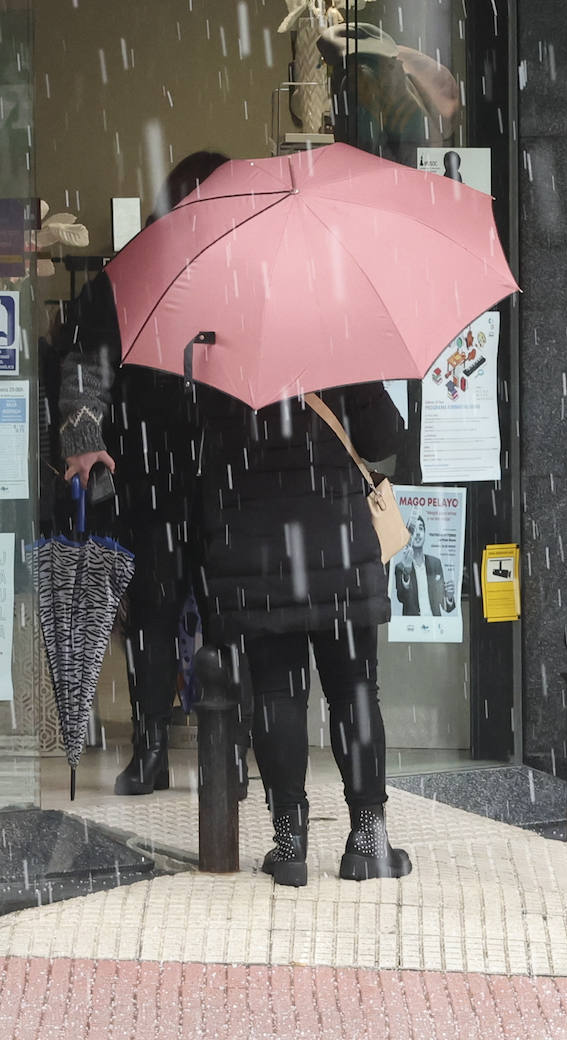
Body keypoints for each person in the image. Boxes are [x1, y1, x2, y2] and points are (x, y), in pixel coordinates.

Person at [56, 150, 231, 795]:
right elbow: (83, 365)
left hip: (173, 474)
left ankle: (176, 750)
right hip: (187, 475)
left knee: (170, 616)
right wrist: (83, 438)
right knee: (189, 615)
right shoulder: (139, 277)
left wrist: (86, 436)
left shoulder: (146, 274)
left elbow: (81, 363)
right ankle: (203, 751)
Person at [193, 381, 411, 887]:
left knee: (275, 693)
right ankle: (367, 841)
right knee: (355, 691)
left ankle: (290, 844)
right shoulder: (339, 341)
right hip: (340, 552)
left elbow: (205, 461)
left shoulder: (231, 355)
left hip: (261, 556)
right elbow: (385, 439)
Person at [393, 513, 455, 616]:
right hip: (412, 626)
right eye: (413, 530)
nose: (417, 533)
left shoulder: (435, 563)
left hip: (434, 624)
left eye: (421, 529)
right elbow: (401, 598)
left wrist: (449, 597)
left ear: (425, 534)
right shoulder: (400, 567)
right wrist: (407, 571)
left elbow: (446, 607)